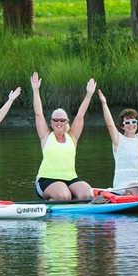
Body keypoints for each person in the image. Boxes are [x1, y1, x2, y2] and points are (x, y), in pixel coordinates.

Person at [30, 72, 96, 201]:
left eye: (62, 120)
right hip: (47, 179)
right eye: (56, 120)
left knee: (87, 194)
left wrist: (89, 94)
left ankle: (74, 211)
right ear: (51, 122)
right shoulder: (46, 136)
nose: (59, 123)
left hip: (70, 178)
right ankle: (53, 200)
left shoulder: (72, 137)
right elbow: (38, 114)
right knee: (63, 195)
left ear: (67, 122)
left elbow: (80, 115)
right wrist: (36, 90)